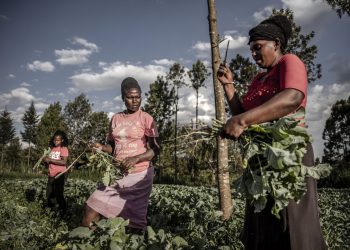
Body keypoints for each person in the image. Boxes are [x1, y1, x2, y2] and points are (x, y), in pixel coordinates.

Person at [217, 15, 327, 250]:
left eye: (258, 48)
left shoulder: (290, 61)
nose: (254, 54)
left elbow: (292, 98)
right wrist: (229, 86)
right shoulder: (259, 79)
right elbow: (244, 114)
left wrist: (242, 120)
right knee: (263, 224)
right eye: (252, 50)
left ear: (276, 44)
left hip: (287, 155)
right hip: (261, 161)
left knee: (292, 223)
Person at [82, 77, 160, 234]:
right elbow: (112, 146)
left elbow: (155, 149)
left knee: (134, 224)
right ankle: (87, 241)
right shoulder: (116, 118)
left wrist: (135, 158)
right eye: (130, 97)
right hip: (117, 175)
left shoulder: (146, 118)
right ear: (123, 97)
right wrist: (101, 148)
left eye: (137, 97)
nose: (135, 101)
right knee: (92, 208)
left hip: (139, 176)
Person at [44, 130, 69, 215]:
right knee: (49, 193)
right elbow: (49, 161)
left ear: (62, 140)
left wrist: (50, 159)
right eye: (55, 140)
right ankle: (50, 212)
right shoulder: (52, 149)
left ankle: (64, 211)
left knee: (59, 194)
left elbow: (64, 162)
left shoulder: (63, 148)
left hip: (60, 174)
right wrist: (46, 160)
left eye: (58, 140)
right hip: (51, 173)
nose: (56, 141)